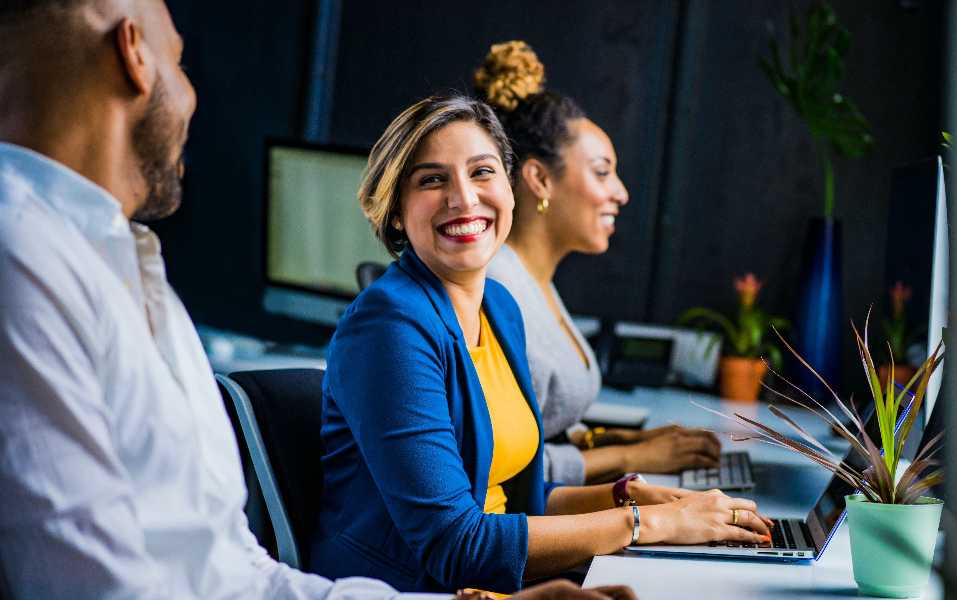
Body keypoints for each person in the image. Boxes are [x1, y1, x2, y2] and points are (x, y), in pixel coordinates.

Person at [0, 2, 631, 599]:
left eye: (483, 172)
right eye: (181, 62)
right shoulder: (24, 261)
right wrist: (636, 523)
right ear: (134, 54)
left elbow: (239, 574)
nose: (192, 98)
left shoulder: (124, 262)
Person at [310, 94, 772, 595]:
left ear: (510, 189)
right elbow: (454, 544)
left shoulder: (500, 308)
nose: (463, 198)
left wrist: (628, 497)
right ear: (397, 212)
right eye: (432, 179)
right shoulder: (389, 327)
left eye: (482, 172)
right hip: (410, 589)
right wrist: (648, 524)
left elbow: (515, 500)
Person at [477, 41, 721, 486]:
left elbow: (542, 428)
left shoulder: (535, 282)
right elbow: (501, 469)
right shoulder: (498, 290)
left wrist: (621, 441)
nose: (621, 193)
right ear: (539, 178)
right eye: (602, 172)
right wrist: (633, 457)